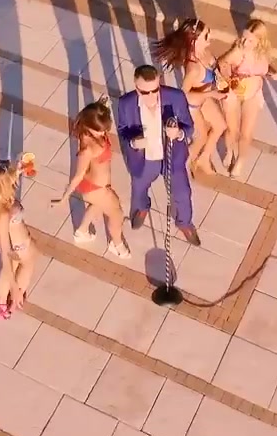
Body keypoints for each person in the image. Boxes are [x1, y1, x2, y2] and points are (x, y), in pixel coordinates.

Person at [113, 64, 202, 246]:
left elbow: (189, 126)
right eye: (145, 92)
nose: (151, 96)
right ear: (136, 87)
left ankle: (184, 222)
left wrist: (179, 133)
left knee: (182, 193)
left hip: (172, 157)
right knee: (139, 188)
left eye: (155, 90)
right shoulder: (126, 103)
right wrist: (133, 143)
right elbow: (123, 130)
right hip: (145, 159)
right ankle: (142, 208)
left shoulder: (175, 97)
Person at [50, 97, 132, 259]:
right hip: (96, 188)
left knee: (97, 206)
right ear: (89, 125)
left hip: (97, 186)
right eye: (99, 130)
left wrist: (100, 106)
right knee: (116, 214)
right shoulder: (87, 148)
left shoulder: (89, 129)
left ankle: (82, 232)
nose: (103, 133)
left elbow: (94, 116)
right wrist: (64, 199)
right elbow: (78, 175)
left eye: (104, 129)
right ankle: (116, 245)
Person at [150, 18, 228, 177]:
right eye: (206, 36)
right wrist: (211, 94)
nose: (210, 37)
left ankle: (204, 158)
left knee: (220, 125)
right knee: (202, 136)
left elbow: (214, 69)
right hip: (194, 104)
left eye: (208, 33)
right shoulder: (193, 68)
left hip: (205, 97)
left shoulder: (205, 52)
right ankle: (180, 166)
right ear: (194, 41)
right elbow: (183, 94)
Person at [216, 18, 277, 178]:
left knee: (246, 133)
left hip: (253, 93)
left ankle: (240, 161)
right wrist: (228, 78)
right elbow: (221, 63)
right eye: (244, 37)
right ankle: (230, 151)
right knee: (231, 129)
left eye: (250, 40)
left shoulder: (263, 52)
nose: (245, 42)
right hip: (233, 91)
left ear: (260, 41)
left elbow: (265, 66)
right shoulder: (238, 51)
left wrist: (273, 72)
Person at [0, 159, 39, 321]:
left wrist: (18, 171)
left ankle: (3, 305)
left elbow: (5, 180)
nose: (12, 183)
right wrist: (15, 288)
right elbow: (6, 255)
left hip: (16, 246)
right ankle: (13, 301)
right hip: (21, 248)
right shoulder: (4, 214)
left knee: (9, 271)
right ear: (3, 186)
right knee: (24, 267)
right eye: (8, 181)